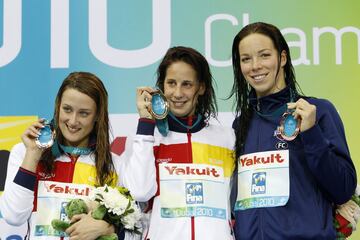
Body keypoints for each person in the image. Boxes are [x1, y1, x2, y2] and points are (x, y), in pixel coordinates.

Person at [229, 22, 357, 239]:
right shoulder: (241, 124)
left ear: (283, 58)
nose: (255, 66)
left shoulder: (318, 111)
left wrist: (312, 133)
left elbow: (343, 188)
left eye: (264, 55)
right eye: (246, 59)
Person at [0, 72, 132, 240]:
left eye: (84, 113)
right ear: (58, 107)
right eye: (67, 109)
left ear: (98, 115)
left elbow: (135, 229)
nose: (73, 121)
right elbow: (13, 216)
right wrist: (32, 155)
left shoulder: (114, 165)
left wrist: (108, 229)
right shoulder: (25, 152)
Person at [122, 46, 236, 239]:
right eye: (171, 83)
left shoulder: (227, 139)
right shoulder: (147, 139)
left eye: (187, 84)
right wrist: (146, 125)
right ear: (162, 86)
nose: (177, 93)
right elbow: (139, 193)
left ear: (201, 87)